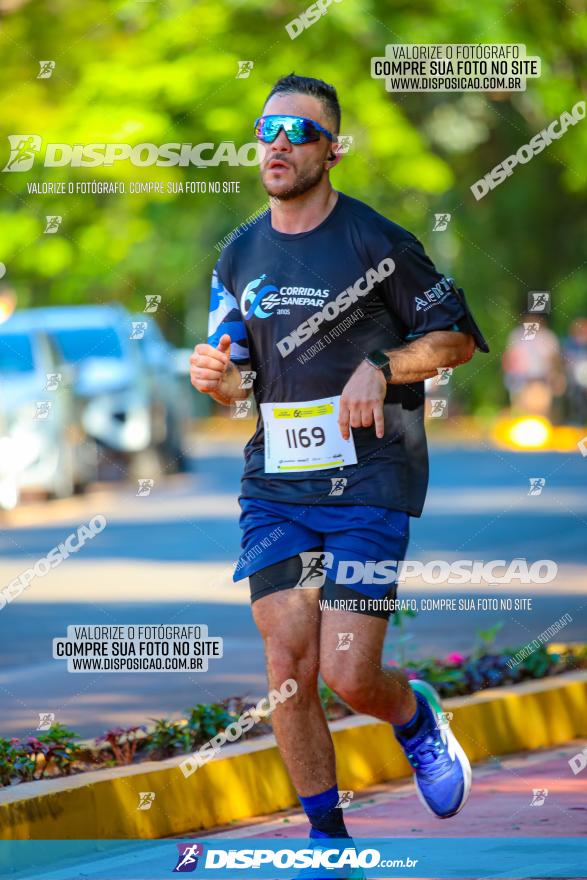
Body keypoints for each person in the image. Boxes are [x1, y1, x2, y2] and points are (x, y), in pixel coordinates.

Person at [191, 74, 489, 849]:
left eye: (299, 131)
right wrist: (226, 384)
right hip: (276, 486)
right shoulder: (237, 253)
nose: (278, 143)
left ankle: (414, 715)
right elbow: (240, 380)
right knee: (287, 663)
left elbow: (454, 338)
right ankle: (327, 838)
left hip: (369, 481)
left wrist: (384, 366)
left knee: (349, 676)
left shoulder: (378, 244)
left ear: (333, 150)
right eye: (267, 128)